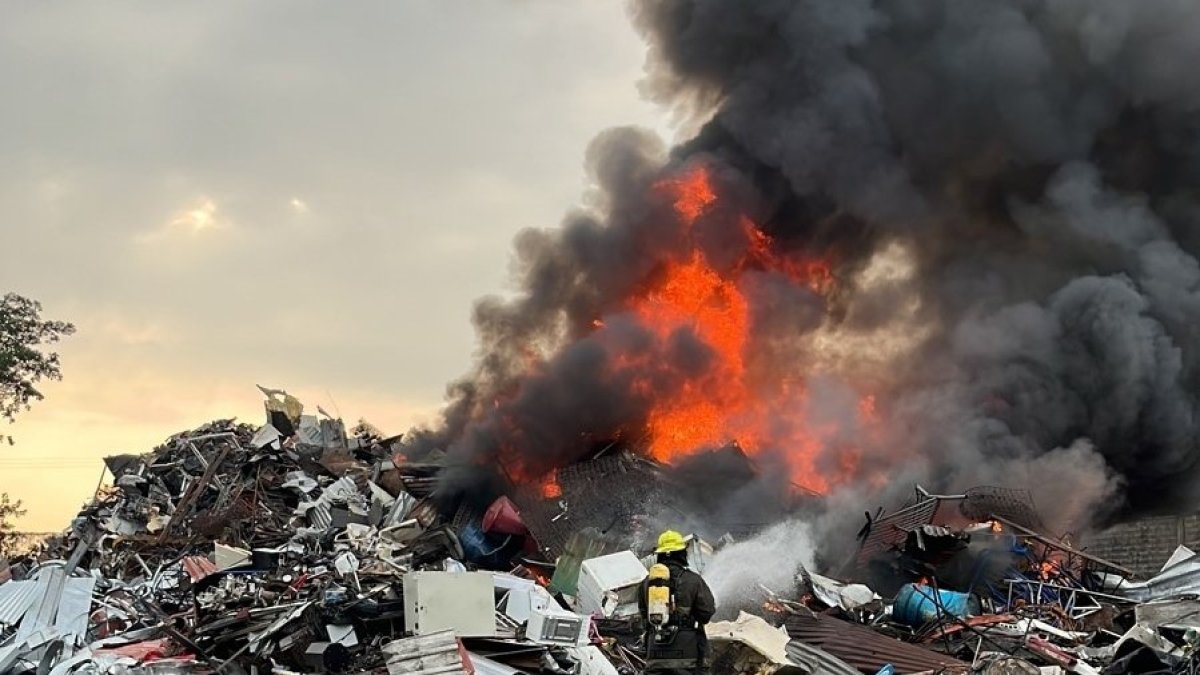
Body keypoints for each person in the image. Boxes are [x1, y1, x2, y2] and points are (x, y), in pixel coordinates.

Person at [637, 530, 717, 675]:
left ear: (660, 555)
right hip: (688, 655)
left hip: (655, 654)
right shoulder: (693, 580)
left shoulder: (645, 583)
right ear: (681, 554)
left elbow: (644, 617)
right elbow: (706, 613)